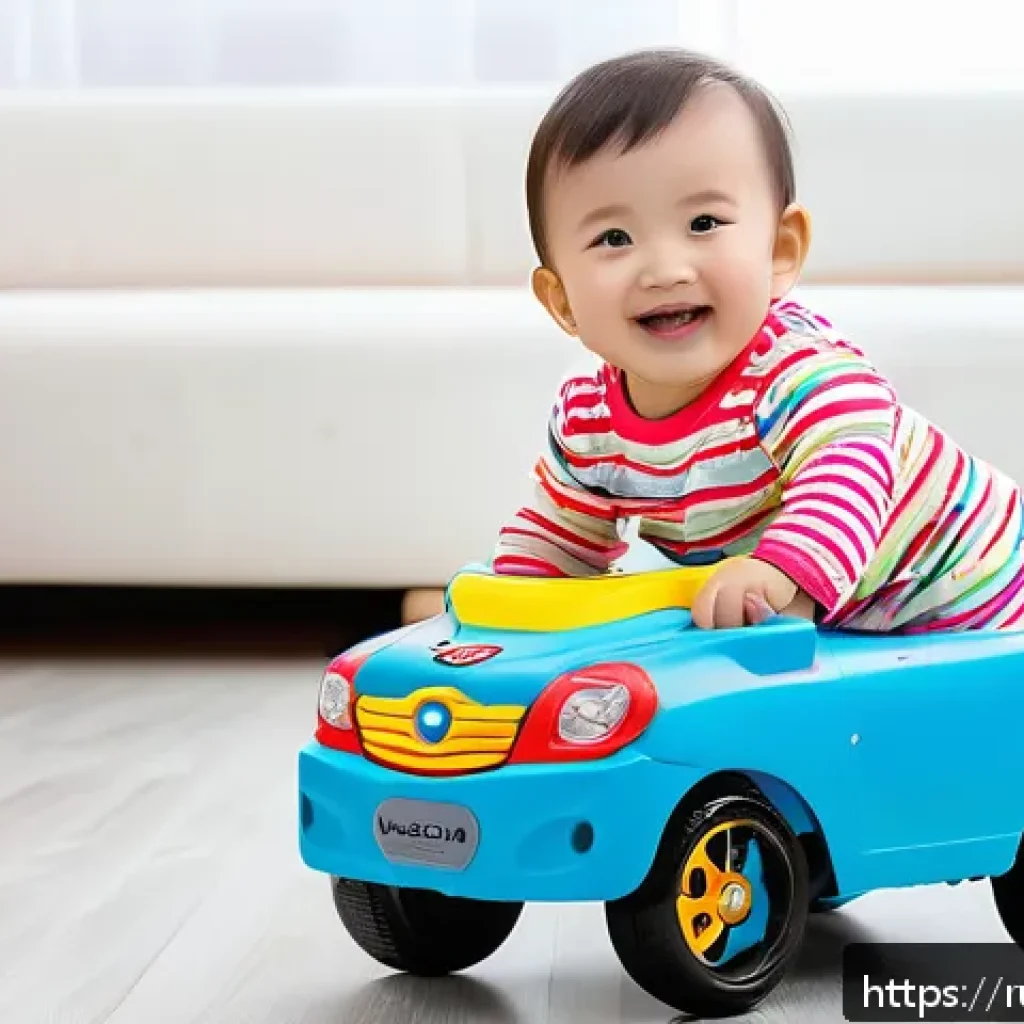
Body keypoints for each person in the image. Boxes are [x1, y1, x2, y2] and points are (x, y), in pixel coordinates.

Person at [490, 47, 1024, 634]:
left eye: (703, 224)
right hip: (844, 627)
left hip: (982, 595)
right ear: (562, 300)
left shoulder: (800, 373)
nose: (665, 269)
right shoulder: (588, 422)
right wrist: (505, 605)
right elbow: (557, 536)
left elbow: (847, 468)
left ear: (779, 251)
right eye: (614, 237)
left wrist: (779, 570)